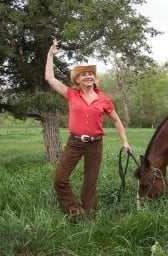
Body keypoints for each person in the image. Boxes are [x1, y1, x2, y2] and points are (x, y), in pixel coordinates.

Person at [45, 39, 131, 222]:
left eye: (91, 74)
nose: (88, 76)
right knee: (59, 179)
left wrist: (125, 142)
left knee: (90, 182)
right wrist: (49, 56)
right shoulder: (71, 95)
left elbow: (116, 120)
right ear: (77, 79)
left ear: (95, 78)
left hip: (95, 144)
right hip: (74, 143)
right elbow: (50, 79)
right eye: (83, 74)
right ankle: (74, 212)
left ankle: (89, 216)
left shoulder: (104, 100)